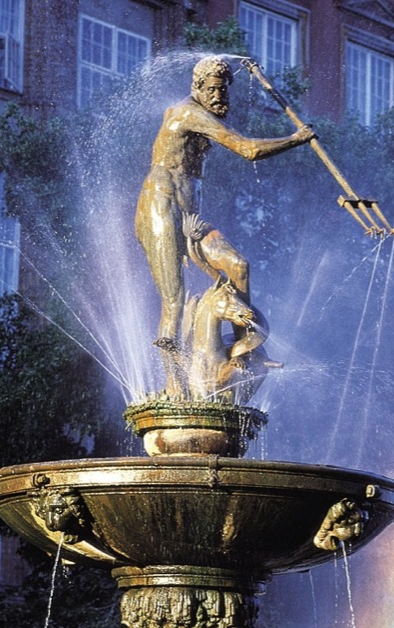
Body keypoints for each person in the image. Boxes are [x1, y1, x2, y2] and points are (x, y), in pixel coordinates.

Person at [135, 55, 315, 395]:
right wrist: (297, 138)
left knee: (238, 265)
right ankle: (175, 388)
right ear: (197, 89)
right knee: (174, 299)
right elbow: (247, 149)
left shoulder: (197, 114)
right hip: (159, 206)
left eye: (224, 91)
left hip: (190, 215)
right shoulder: (188, 112)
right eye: (214, 90)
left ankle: (244, 347)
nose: (220, 97)